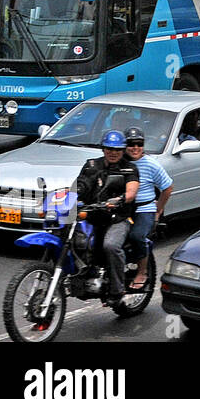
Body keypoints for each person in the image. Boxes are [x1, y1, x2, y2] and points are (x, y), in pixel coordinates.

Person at [76, 130, 140, 303]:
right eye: (109, 148)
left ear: (123, 150)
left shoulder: (129, 168)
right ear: (103, 149)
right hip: (92, 215)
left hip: (118, 218)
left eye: (117, 149)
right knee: (66, 235)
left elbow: (132, 192)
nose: (113, 152)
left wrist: (120, 199)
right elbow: (79, 185)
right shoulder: (91, 165)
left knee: (111, 245)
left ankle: (117, 291)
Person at [123, 128, 172, 290]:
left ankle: (142, 272)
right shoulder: (120, 162)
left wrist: (158, 210)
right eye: (131, 144)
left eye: (139, 144)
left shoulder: (151, 164)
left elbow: (167, 187)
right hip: (124, 209)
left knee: (137, 236)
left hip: (144, 209)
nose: (135, 148)